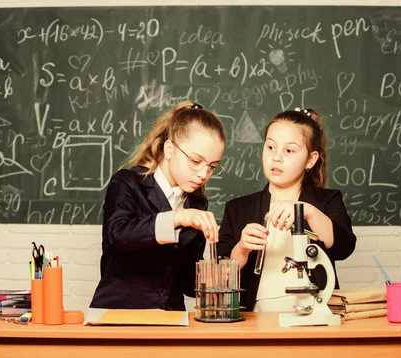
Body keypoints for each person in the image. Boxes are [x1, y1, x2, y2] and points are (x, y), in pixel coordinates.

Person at [90, 101, 226, 311]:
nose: (203, 174)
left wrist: (211, 279)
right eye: (196, 161)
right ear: (169, 149)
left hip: (170, 319)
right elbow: (117, 236)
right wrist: (177, 218)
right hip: (119, 315)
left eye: (212, 166)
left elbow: (186, 281)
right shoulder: (127, 183)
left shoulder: (197, 203)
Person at [217, 107, 356, 312]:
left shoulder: (326, 202)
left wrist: (306, 211)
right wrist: (242, 249)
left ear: (311, 159)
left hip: (315, 314)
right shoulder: (238, 208)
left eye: (289, 150)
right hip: (255, 319)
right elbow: (219, 278)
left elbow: (344, 247)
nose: (276, 158)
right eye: (270, 147)